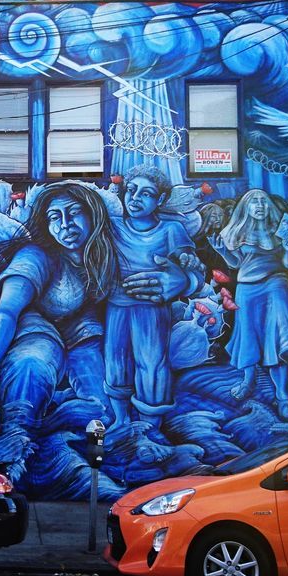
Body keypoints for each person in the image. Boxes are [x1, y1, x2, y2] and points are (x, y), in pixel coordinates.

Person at [0, 182, 118, 439]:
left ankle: (49, 420)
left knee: (102, 412)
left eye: (73, 213)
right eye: (54, 217)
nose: (65, 224)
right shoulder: (36, 257)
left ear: (92, 214)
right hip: (35, 331)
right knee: (31, 366)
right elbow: (6, 312)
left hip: (83, 336)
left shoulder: (108, 254)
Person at [104, 165, 205, 428]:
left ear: (160, 200)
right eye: (131, 190)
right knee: (116, 359)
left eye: (146, 193)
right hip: (117, 305)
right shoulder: (113, 226)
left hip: (151, 308)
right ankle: (121, 420)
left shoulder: (170, 229)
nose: (135, 198)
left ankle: (150, 426)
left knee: (150, 362)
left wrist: (186, 263)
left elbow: (189, 261)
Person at [211, 189, 288, 421]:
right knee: (249, 335)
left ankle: (283, 396)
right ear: (246, 207)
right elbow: (237, 263)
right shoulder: (237, 231)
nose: (260, 205)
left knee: (277, 337)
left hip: (275, 283)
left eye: (263, 201)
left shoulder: (280, 231)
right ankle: (248, 380)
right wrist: (222, 252)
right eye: (254, 202)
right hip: (247, 288)